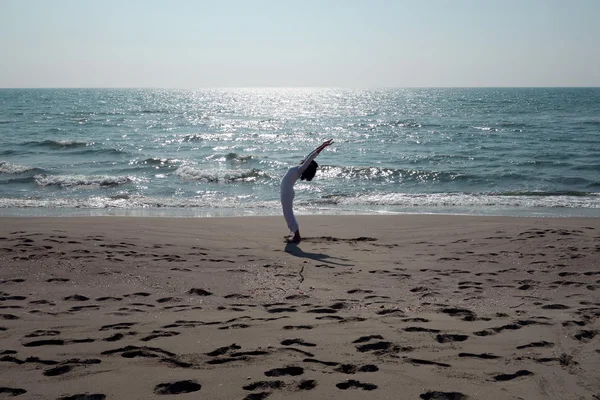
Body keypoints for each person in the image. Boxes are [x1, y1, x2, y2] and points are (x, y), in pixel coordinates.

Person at [280, 139, 334, 243]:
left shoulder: (300, 168)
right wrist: (321, 145)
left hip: (287, 193)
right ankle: (293, 232)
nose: (305, 159)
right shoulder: (299, 168)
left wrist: (323, 147)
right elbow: (310, 155)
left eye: (307, 161)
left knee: (288, 213)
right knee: (287, 213)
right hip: (286, 191)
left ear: (307, 164)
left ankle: (296, 235)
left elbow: (311, 156)